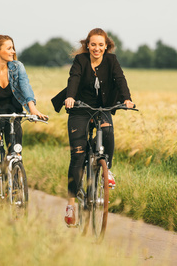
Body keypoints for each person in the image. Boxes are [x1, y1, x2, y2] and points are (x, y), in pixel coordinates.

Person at [51, 28, 134, 226]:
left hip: (102, 107)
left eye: (100, 45)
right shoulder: (80, 60)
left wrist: (127, 99)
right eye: (93, 44)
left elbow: (120, 79)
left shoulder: (111, 61)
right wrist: (70, 97)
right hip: (80, 108)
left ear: (106, 46)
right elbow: (74, 78)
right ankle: (71, 205)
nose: (97, 48)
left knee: (107, 129)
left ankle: (107, 170)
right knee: (78, 155)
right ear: (87, 45)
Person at [0, 35, 47, 197]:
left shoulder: (17, 67)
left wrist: (32, 109)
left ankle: (13, 179)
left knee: (15, 151)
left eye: (13, 48)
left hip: (13, 113)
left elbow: (25, 86)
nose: (13, 51)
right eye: (9, 48)